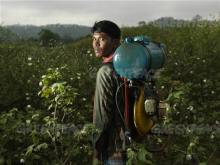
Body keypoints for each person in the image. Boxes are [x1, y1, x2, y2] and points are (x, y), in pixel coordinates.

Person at [91, 20, 127, 164]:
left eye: (102, 39)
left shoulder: (105, 71)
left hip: (114, 147)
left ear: (115, 43)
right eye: (94, 39)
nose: (96, 44)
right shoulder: (126, 63)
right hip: (132, 141)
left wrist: (96, 152)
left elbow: (103, 119)